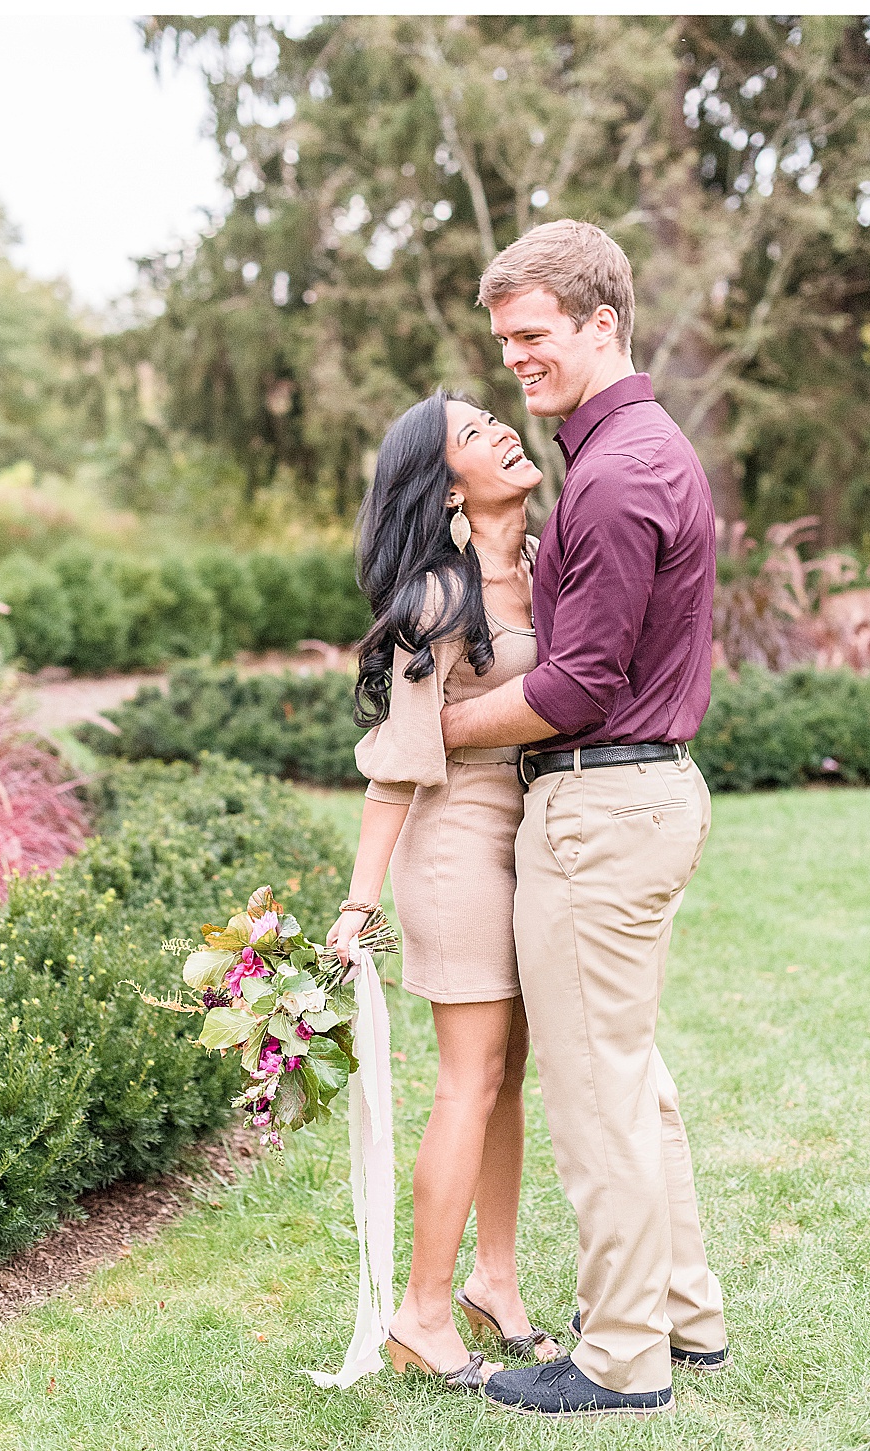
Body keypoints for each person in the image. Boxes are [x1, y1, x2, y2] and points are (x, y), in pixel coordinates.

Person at [437, 219, 729, 1420]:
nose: (517, 359)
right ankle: (683, 1307)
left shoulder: (613, 475)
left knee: (595, 1089)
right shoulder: (635, 450)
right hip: (638, 795)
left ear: (602, 323)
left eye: (535, 335)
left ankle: (620, 1356)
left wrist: (435, 735)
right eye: (504, 342)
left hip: (600, 800)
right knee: (633, 1074)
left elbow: (575, 684)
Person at [325, 390, 563, 1389]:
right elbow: (397, 764)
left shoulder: (549, 563)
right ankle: (421, 1312)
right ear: (446, 480)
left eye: (492, 418)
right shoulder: (436, 595)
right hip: (455, 845)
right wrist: (356, 901)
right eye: (474, 433)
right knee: (468, 1078)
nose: (504, 430)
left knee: (508, 1075)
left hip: (534, 835)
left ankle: (494, 1282)